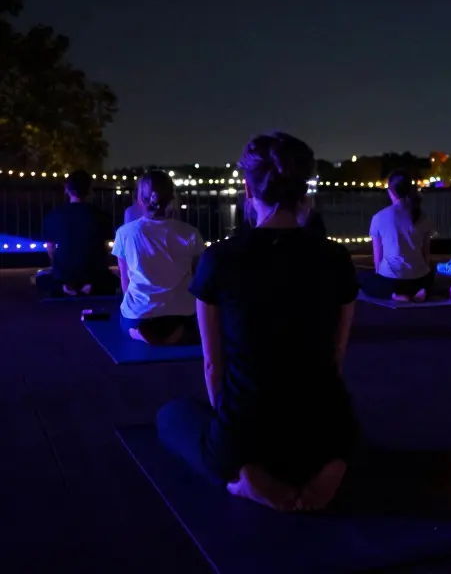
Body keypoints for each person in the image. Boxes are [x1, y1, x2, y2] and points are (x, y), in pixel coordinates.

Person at [156, 131, 359, 512]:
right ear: (303, 190)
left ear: (248, 190)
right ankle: (332, 465)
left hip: (249, 425)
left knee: (172, 416)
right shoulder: (335, 258)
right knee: (332, 425)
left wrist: (229, 430)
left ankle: (244, 473)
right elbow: (336, 354)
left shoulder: (221, 259)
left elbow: (213, 364)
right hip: (326, 423)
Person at [112, 171, 205, 345]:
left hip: (140, 314)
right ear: (173, 197)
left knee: (126, 325)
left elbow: (125, 281)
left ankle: (139, 333)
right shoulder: (190, 233)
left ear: (140, 199)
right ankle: (177, 334)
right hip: (182, 313)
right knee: (195, 327)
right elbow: (198, 278)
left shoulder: (125, 233)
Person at [36, 170, 118, 298]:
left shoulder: (53, 215)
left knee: (41, 279)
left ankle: (65, 287)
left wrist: (58, 267)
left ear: (66, 190)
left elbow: (50, 248)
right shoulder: (101, 215)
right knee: (114, 280)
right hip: (94, 274)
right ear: (89, 190)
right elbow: (106, 248)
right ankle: (91, 286)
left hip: (64, 275)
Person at [360, 170, 434, 302]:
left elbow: (378, 258)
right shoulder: (423, 216)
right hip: (419, 278)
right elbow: (425, 255)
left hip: (392, 280)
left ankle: (393, 295)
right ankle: (422, 290)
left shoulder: (379, 217)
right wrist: (425, 278)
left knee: (360, 278)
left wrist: (380, 279)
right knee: (429, 275)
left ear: (390, 191)